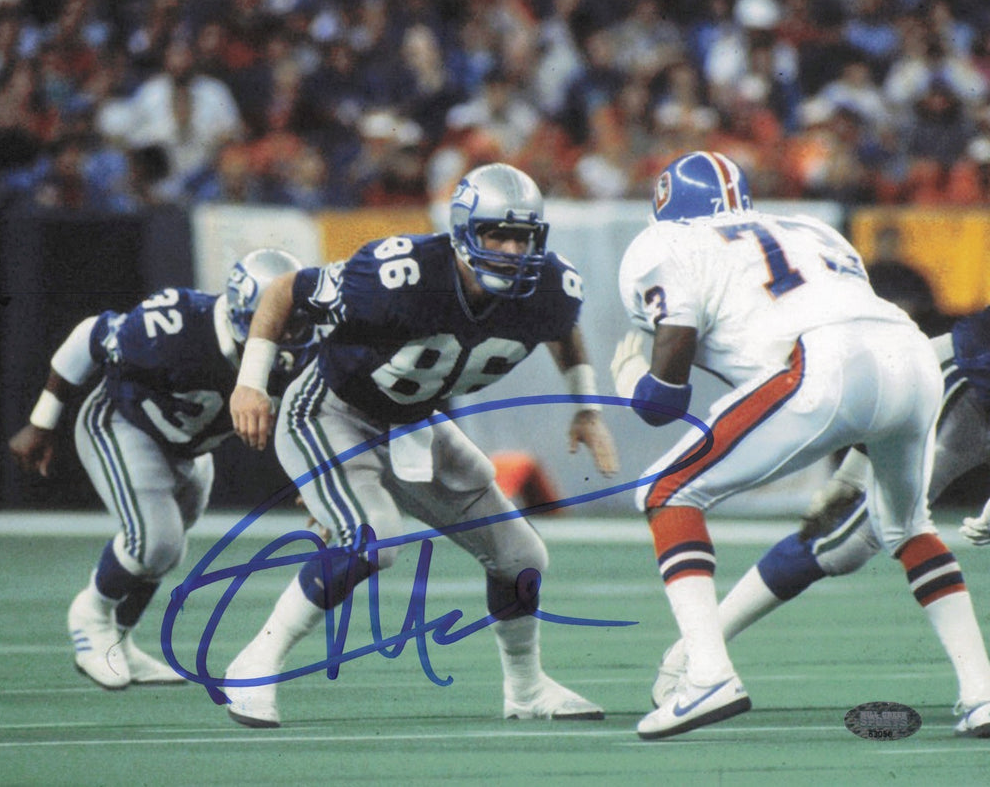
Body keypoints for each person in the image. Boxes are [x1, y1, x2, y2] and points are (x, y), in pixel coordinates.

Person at [610, 150, 990, 740]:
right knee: (908, 526)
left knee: (666, 490)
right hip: (912, 355)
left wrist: (629, 376)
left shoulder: (666, 243)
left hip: (826, 364)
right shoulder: (810, 228)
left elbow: (661, 404)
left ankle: (707, 674)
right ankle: (981, 693)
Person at [224, 162, 620, 728]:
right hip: (330, 409)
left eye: (523, 236)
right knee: (373, 538)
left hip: (412, 422)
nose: (512, 250)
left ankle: (527, 690)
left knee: (521, 557)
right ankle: (254, 666)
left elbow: (561, 326)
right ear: (462, 232)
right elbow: (286, 290)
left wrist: (586, 406)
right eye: (496, 235)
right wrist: (250, 383)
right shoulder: (400, 275)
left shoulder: (549, 287)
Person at [649, 306, 990, 741]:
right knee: (850, 538)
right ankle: (693, 652)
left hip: (932, 375)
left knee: (880, 528)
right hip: (965, 385)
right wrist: (850, 477)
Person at [9, 248, 313, 690]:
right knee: (154, 541)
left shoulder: (301, 346)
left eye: (293, 326)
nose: (283, 338)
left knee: (167, 550)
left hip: (191, 448)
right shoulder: (177, 326)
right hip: (125, 422)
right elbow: (89, 335)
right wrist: (42, 420)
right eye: (274, 323)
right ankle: (91, 615)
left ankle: (120, 641)